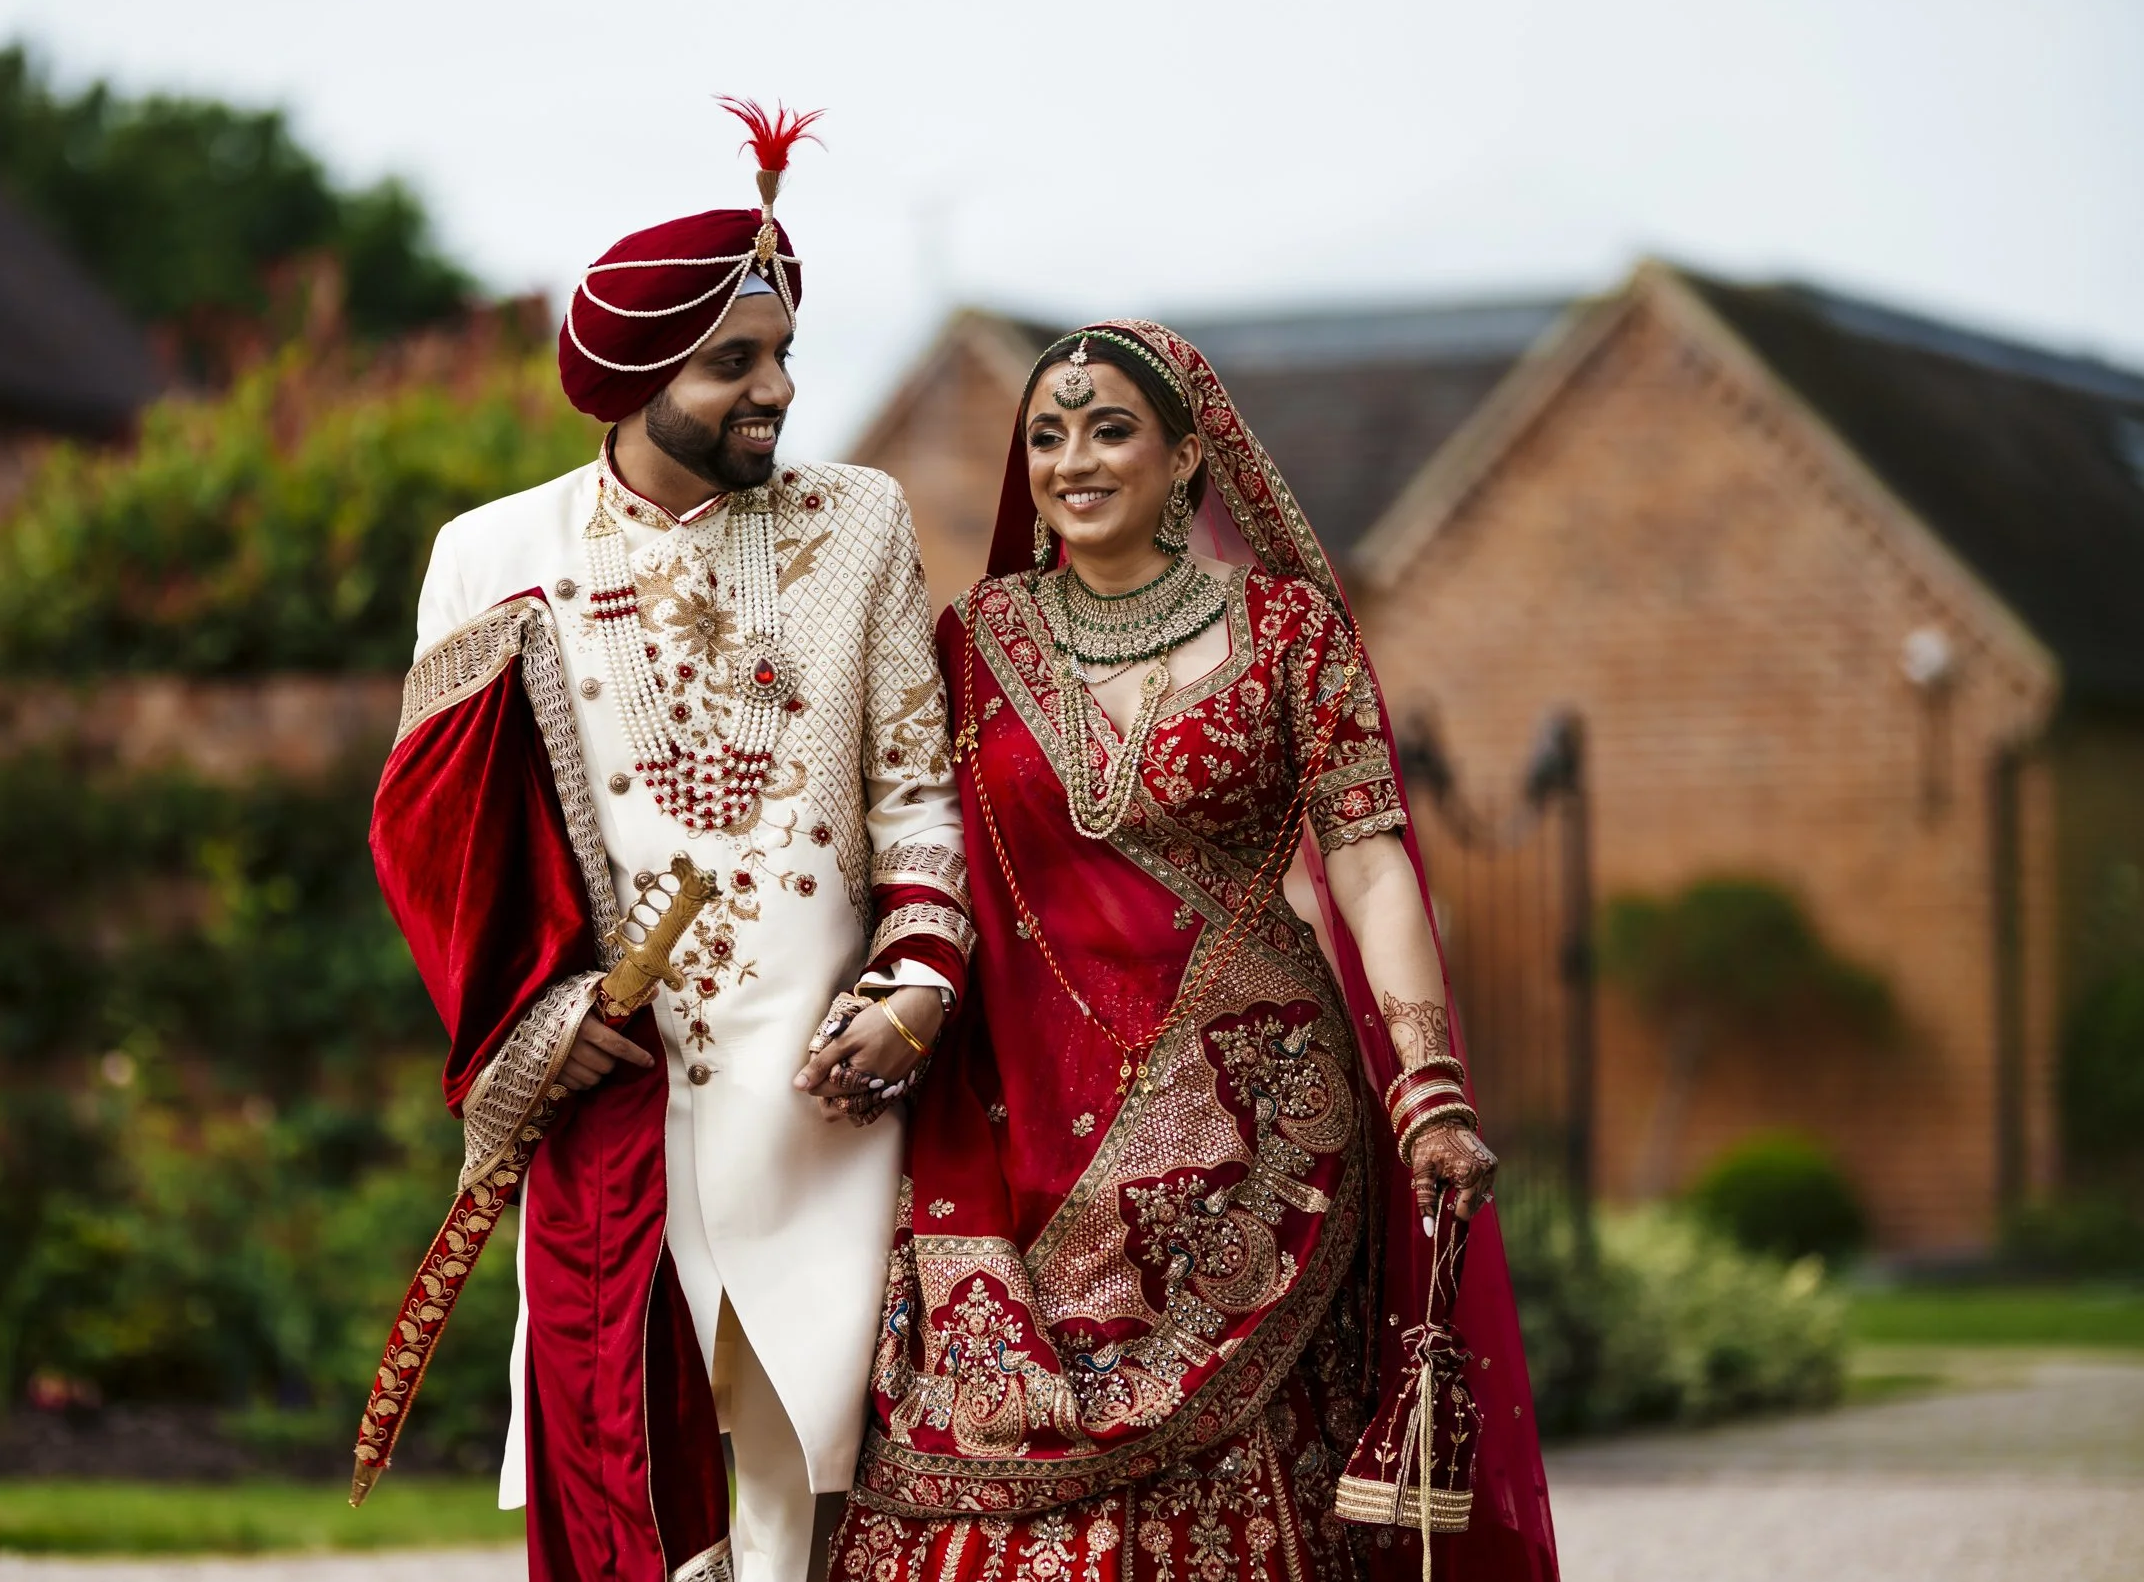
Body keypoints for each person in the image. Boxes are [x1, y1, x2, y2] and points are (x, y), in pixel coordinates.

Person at [803, 322, 1560, 1581]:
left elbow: (1370, 861)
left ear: (1189, 455)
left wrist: (1424, 1085)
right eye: (1046, 434)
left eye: (1108, 430)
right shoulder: (975, 638)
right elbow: (913, 848)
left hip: (1256, 1129)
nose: (1071, 459)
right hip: (1008, 1124)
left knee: (1244, 1474)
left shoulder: (1291, 633)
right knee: (973, 1454)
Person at [366, 102, 970, 1582]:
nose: (776, 388)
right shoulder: (493, 555)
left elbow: (918, 790)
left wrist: (916, 989)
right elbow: (441, 845)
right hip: (614, 1095)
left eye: (780, 356)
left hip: (824, 1095)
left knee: (827, 1487)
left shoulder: (861, 520)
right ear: (636, 379)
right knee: (635, 1480)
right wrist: (533, 1021)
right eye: (735, 363)